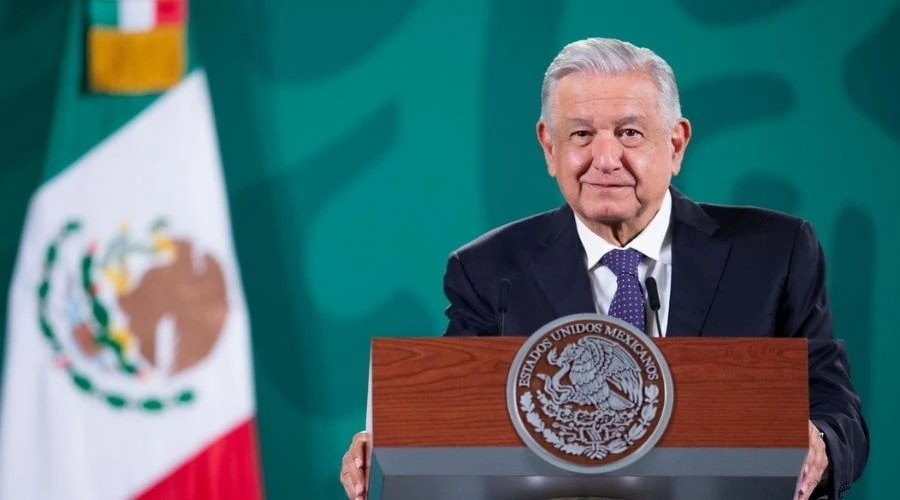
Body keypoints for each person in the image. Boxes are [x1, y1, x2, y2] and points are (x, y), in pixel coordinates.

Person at [339, 37, 869, 500]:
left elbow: (835, 409)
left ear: (676, 143)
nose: (606, 159)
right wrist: (389, 447)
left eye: (630, 132)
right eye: (581, 135)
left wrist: (819, 444)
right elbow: (452, 418)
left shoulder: (775, 253)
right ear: (549, 147)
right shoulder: (488, 271)